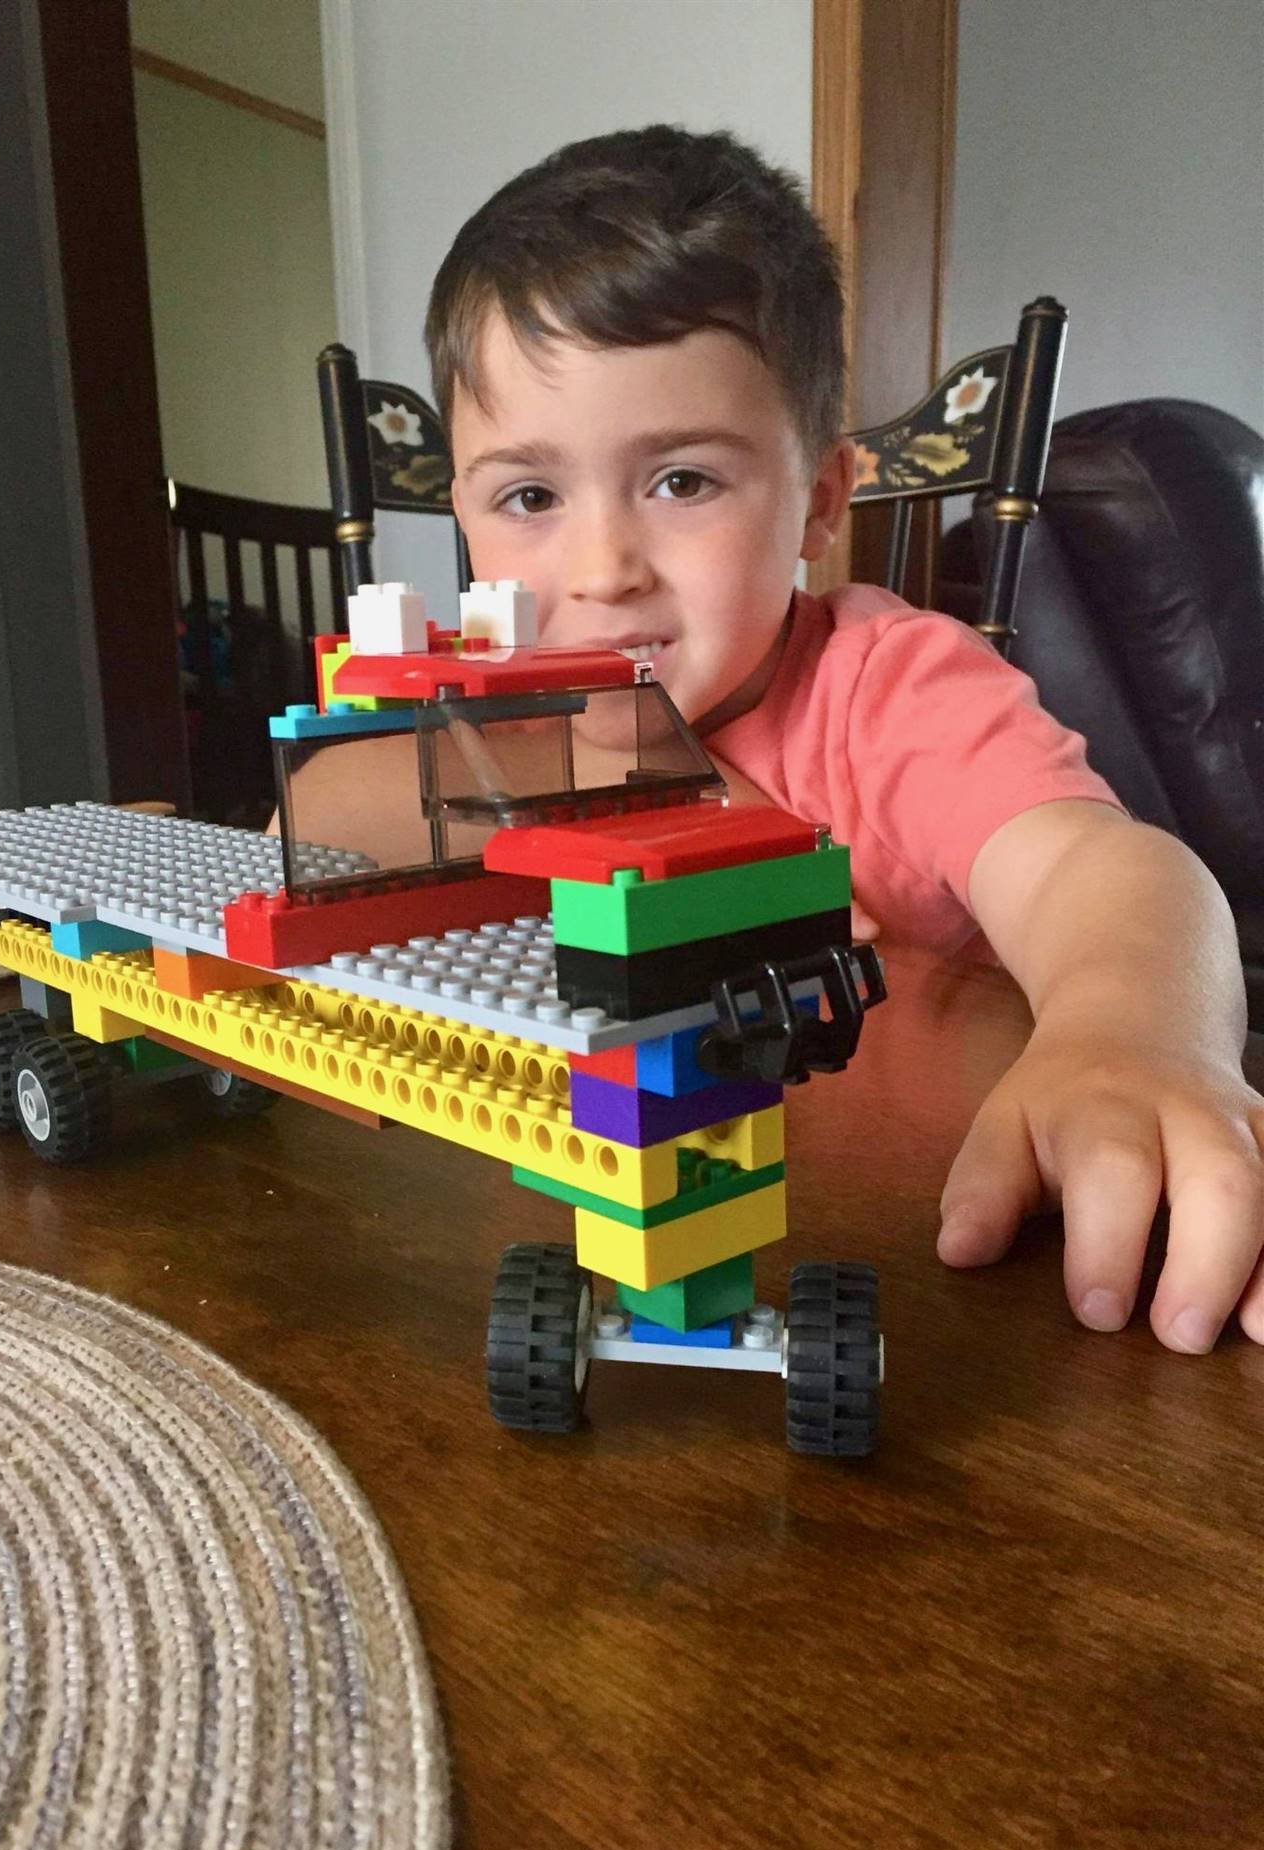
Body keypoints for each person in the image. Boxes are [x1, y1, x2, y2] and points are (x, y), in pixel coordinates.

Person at [302, 124, 1264, 1354]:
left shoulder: (891, 688)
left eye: (683, 481)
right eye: (530, 498)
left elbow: (1103, 871)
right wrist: (575, 761)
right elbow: (311, 824)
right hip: (579, 1223)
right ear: (467, 521)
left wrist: (1133, 1032)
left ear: (816, 500)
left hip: (901, 1253)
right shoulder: (501, 716)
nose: (601, 572)